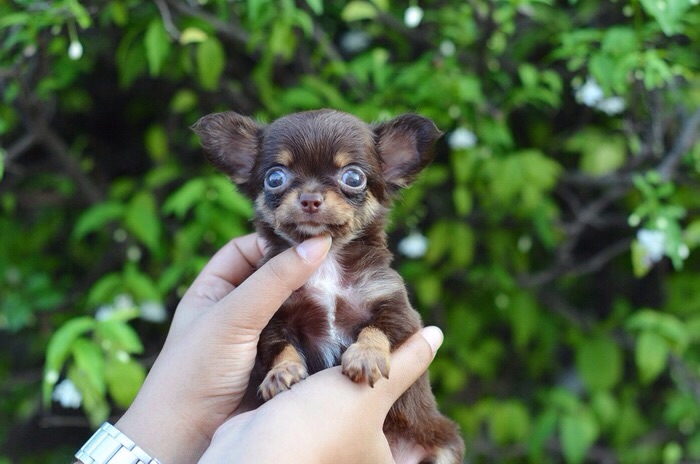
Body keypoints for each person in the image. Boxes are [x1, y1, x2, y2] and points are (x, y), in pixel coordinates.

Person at [75, 234, 445, 463]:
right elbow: (273, 335)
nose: (312, 196)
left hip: (417, 438)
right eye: (278, 178)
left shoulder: (376, 276)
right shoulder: (268, 292)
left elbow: (397, 319)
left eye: (351, 179)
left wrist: (373, 342)